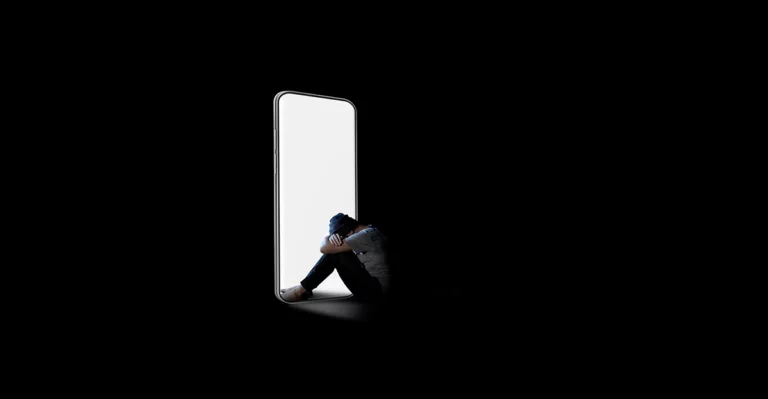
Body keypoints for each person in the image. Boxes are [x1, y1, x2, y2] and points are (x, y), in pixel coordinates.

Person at [280, 213, 391, 303]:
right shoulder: (371, 231)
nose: (341, 239)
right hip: (377, 286)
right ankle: (303, 288)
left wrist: (327, 237)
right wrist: (332, 236)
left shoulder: (365, 236)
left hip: (378, 295)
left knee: (336, 254)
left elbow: (324, 248)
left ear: (350, 232)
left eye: (341, 237)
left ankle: (300, 291)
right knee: (339, 252)